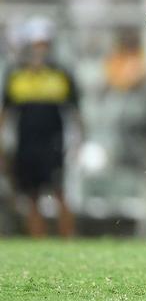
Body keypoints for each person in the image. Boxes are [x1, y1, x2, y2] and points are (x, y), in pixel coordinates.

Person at [0, 17, 83, 237]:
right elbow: (5, 113)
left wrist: (79, 143)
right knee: (31, 195)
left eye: (44, 45)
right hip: (26, 144)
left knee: (59, 193)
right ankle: (39, 242)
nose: (40, 50)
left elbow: (75, 112)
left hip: (53, 143)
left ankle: (68, 239)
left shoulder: (60, 74)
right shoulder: (15, 75)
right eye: (36, 45)